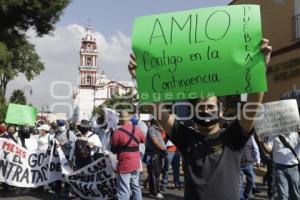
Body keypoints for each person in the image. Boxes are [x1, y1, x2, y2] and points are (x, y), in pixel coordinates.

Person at [128, 39, 272, 200]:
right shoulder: (186, 139)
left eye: (211, 107)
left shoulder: (233, 137)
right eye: (201, 108)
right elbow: (157, 109)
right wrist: (141, 79)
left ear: (221, 110)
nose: (206, 111)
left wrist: (260, 69)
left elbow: (253, 104)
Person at [111, 111, 145, 200]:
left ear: (120, 120)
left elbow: (113, 149)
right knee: (136, 186)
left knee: (124, 189)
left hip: (125, 164)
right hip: (136, 162)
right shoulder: (137, 129)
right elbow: (143, 140)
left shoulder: (117, 132)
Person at [261, 132, 300, 200]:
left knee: (295, 195)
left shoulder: (296, 133)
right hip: (279, 168)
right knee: (282, 195)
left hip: (293, 167)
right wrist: (261, 142)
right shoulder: (273, 134)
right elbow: (268, 149)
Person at [52, 119, 76, 197]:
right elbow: (53, 142)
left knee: (66, 174)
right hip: (58, 156)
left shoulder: (69, 133)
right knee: (58, 174)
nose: (60, 127)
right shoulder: (57, 133)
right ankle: (57, 191)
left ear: (65, 125)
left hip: (67, 156)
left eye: (61, 125)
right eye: (59, 125)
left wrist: (63, 144)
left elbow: (72, 143)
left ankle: (67, 190)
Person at [145, 119, 167, 199]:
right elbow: (155, 141)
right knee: (154, 173)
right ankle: (155, 192)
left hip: (159, 154)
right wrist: (163, 149)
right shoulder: (152, 129)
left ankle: (152, 189)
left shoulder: (158, 130)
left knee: (156, 173)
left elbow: (162, 140)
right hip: (153, 154)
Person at [240, 135, 261, 200]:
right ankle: (242, 198)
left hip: (249, 164)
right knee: (239, 185)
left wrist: (258, 160)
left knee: (252, 181)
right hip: (238, 165)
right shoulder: (234, 135)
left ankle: (246, 195)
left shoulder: (250, 136)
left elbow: (255, 148)